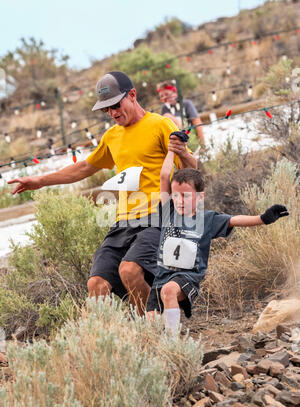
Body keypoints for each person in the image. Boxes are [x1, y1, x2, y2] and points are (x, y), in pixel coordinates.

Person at [8, 71, 197, 316]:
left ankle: (153, 326)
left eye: (116, 106)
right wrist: (40, 180)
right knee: (96, 284)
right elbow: (85, 167)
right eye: (106, 110)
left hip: (157, 217)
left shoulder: (160, 124)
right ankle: (120, 335)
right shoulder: (112, 136)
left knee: (129, 270)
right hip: (123, 222)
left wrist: (182, 153)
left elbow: (192, 170)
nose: (112, 113)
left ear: (132, 95)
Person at [146, 132, 289, 335]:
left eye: (186, 196)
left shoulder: (207, 219)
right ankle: (163, 347)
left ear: (200, 196)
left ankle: (173, 341)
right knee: (150, 323)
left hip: (187, 276)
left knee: (169, 291)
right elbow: (163, 176)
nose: (179, 200)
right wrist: (170, 150)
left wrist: (262, 219)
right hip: (161, 277)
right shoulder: (168, 211)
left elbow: (234, 219)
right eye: (176, 195)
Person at [157, 80, 205, 152]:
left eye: (166, 94)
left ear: (175, 93)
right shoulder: (165, 108)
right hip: (175, 141)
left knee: (167, 116)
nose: (164, 97)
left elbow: (197, 123)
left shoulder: (186, 104)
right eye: (161, 96)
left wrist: (202, 145)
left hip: (189, 136)